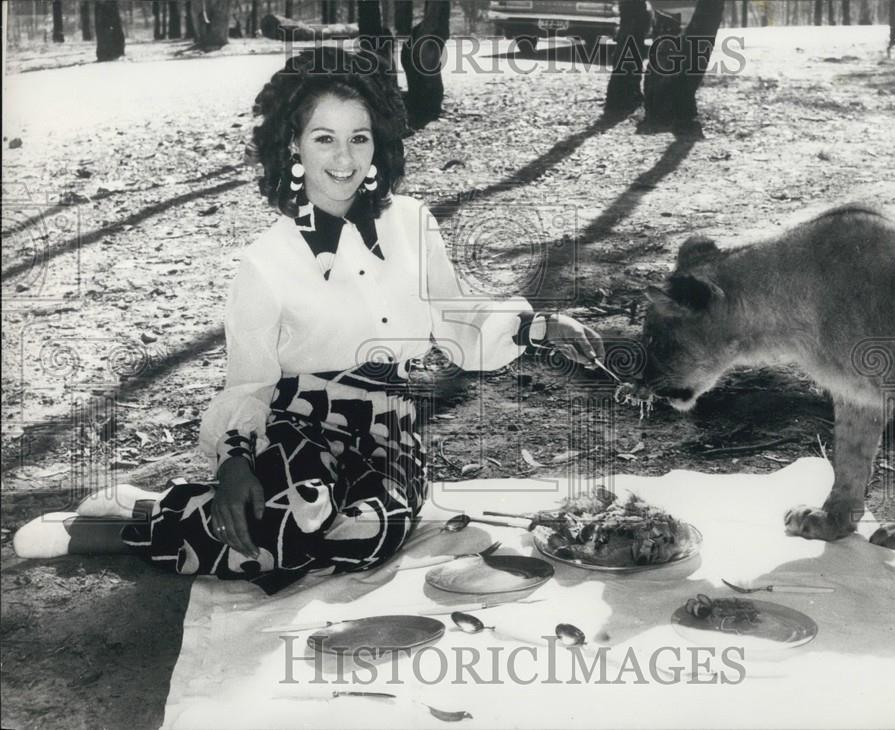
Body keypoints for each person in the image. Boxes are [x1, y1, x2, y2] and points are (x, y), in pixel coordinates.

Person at [13, 46, 605, 594]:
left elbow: (454, 322)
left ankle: (154, 504)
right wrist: (236, 463)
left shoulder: (412, 223)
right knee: (286, 531)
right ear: (293, 144)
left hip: (388, 428)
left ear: (379, 145)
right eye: (324, 138)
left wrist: (539, 327)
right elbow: (249, 384)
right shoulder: (265, 264)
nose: (344, 159)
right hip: (296, 425)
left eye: (359, 138)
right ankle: (119, 529)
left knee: (371, 535)